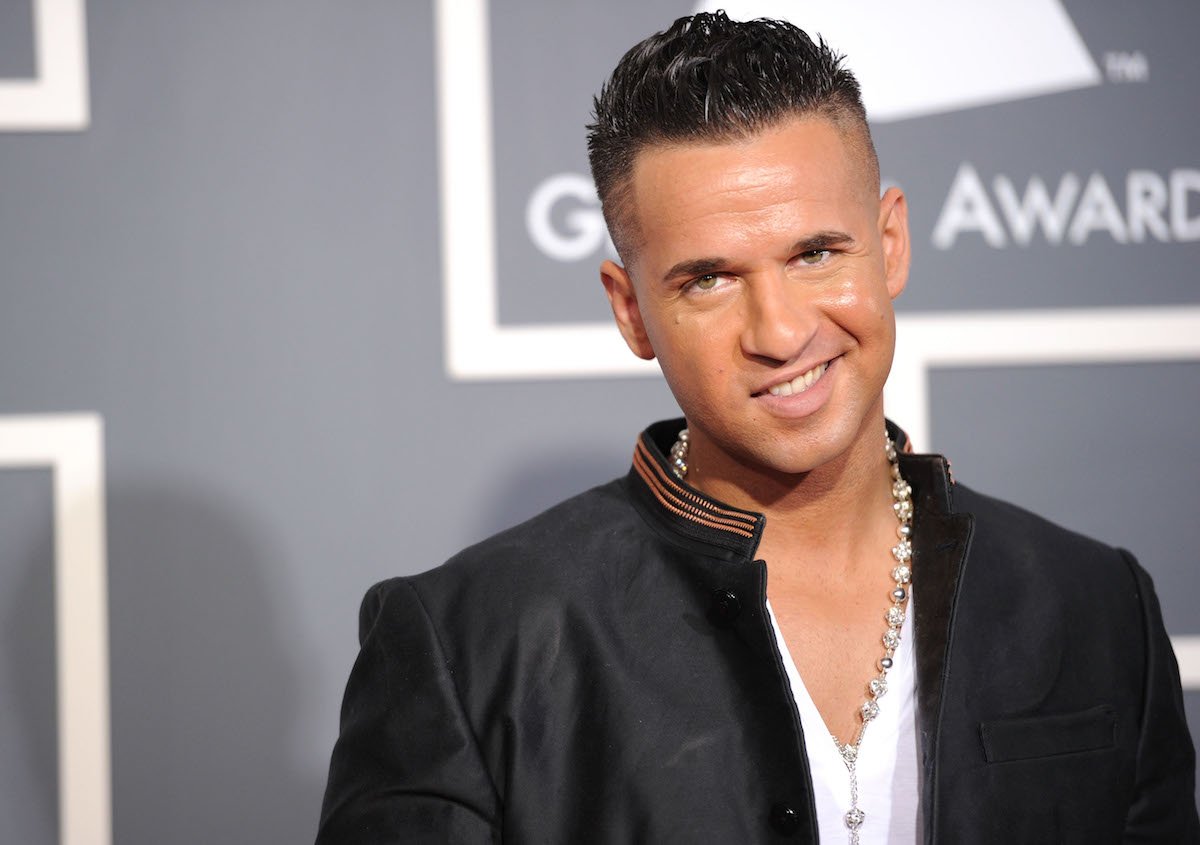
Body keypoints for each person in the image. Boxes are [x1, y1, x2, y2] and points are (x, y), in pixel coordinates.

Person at [317, 12, 1197, 843]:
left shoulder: (1096, 605)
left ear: (890, 243)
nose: (779, 332)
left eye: (816, 253)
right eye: (709, 280)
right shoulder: (467, 645)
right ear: (631, 311)